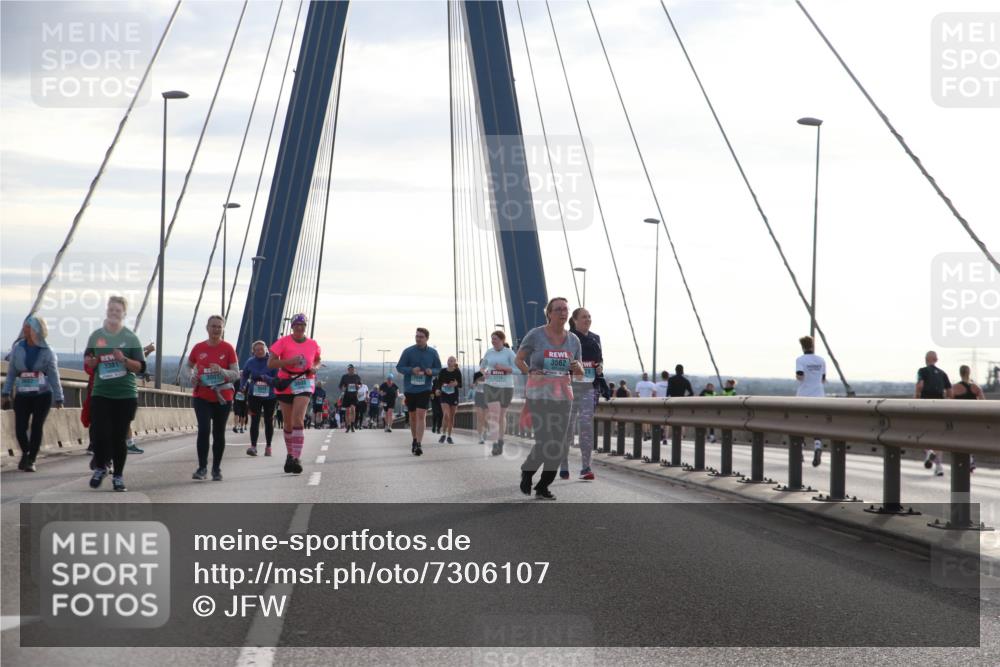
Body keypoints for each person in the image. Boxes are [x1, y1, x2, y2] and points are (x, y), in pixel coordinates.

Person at [516, 297, 584, 500]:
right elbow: (519, 359)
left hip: (563, 396)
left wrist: (577, 368)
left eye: (566, 309)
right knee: (545, 440)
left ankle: (544, 485)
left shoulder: (573, 340)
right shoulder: (536, 335)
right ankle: (527, 471)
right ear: (549, 313)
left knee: (560, 444)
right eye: (558, 309)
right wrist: (530, 372)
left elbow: (580, 372)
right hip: (539, 395)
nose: (563, 313)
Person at [84, 296, 146, 492]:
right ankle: (101, 467)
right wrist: (92, 362)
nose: (113, 313)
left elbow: (141, 368)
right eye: (111, 310)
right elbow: (88, 359)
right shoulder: (96, 336)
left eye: (117, 311)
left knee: (119, 437)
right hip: (101, 393)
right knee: (100, 433)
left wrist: (125, 360)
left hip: (125, 395)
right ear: (107, 312)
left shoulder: (131, 337)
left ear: (123, 314)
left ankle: (118, 476)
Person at [2, 316, 64, 471]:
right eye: (24, 326)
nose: (25, 328)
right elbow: (11, 373)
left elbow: (54, 376)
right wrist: (5, 392)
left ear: (37, 330)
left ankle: (31, 459)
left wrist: (59, 397)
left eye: (28, 326)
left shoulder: (47, 351)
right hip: (23, 394)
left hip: (42, 395)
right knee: (20, 427)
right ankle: (26, 451)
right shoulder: (18, 348)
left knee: (37, 426)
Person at [185, 314, 240, 482]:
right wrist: (191, 377)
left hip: (223, 397)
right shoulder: (198, 348)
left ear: (223, 329)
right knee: (203, 430)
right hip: (202, 395)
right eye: (213, 326)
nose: (216, 329)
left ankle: (216, 468)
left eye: (219, 326)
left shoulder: (228, 348)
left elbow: (236, 374)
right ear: (207, 328)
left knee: (218, 433)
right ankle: (202, 468)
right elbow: (188, 366)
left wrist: (221, 371)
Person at [269, 313, 322, 475]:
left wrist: (315, 367)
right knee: (288, 423)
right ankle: (290, 454)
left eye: (303, 325)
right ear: (292, 326)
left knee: (298, 418)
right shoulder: (283, 342)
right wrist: (289, 362)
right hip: (286, 382)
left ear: (306, 327)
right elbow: (271, 363)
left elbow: (318, 360)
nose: (300, 327)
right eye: (297, 325)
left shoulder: (313, 344)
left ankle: (297, 457)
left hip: (305, 381)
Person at [563, 307, 603, 481]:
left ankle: (586, 467)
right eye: (584, 317)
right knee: (568, 428)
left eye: (589, 316)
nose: (588, 319)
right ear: (575, 320)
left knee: (586, 425)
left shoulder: (596, 338)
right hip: (570, 388)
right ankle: (563, 464)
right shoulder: (567, 338)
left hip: (589, 387)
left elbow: (599, 360)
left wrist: (599, 367)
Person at [396, 327, 442, 456]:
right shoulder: (408, 351)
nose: (418, 338)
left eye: (421, 336)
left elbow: (438, 369)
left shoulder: (433, 353)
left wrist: (431, 372)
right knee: (413, 416)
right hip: (410, 389)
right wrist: (411, 370)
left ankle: (419, 443)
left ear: (427, 338)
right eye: (416, 336)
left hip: (425, 388)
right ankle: (414, 439)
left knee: (421, 415)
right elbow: (399, 367)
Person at [481, 331, 518, 455]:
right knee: (494, 415)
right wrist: (484, 372)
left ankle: (500, 440)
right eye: (492, 339)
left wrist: (504, 368)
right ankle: (495, 443)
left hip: (506, 387)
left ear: (502, 340)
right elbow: (482, 366)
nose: (493, 341)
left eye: (495, 339)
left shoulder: (509, 353)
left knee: (501, 416)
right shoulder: (489, 352)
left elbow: (518, 369)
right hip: (490, 386)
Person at [916, 351, 953, 476]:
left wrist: (916, 399)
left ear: (926, 359)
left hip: (926, 406)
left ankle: (929, 452)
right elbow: (950, 393)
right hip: (939, 407)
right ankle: (939, 467)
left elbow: (920, 385)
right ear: (936, 360)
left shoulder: (922, 371)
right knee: (938, 437)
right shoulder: (943, 373)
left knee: (922, 433)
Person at [795, 335, 827, 467]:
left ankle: (800, 451)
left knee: (800, 423)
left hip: (803, 395)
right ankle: (817, 445)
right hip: (819, 395)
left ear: (802, 347)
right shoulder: (821, 360)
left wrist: (800, 376)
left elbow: (800, 376)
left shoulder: (800, 360)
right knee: (816, 423)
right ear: (813, 345)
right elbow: (823, 379)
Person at [242, 340, 277, 456]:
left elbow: (277, 379)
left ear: (266, 349)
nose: (259, 351)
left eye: (261, 349)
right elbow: (245, 374)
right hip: (254, 395)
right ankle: (253, 447)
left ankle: (269, 446)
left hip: (270, 396)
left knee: (268, 421)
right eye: (256, 350)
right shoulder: (250, 362)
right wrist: (243, 385)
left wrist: (266, 378)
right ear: (253, 351)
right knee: (255, 421)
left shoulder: (272, 361)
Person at [125, 341, 157, 455]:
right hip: (119, 390)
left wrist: (147, 351)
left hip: (127, 390)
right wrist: (146, 349)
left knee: (125, 420)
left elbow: (137, 362)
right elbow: (129, 359)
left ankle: (129, 444)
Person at [952, 364, 983, 473]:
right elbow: (983, 402)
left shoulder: (955, 387)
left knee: (960, 439)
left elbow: (948, 403)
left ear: (960, 373)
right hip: (973, 417)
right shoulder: (976, 387)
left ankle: (966, 461)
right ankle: (971, 459)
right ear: (969, 373)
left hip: (960, 417)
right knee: (971, 439)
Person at [436, 356, 462, 444]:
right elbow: (438, 382)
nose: (449, 362)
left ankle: (449, 436)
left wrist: (456, 383)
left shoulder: (457, 371)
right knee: (446, 414)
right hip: (444, 395)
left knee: (451, 416)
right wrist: (437, 389)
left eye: (451, 361)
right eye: (448, 360)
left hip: (453, 395)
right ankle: (443, 434)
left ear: (455, 363)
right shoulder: (443, 371)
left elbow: (460, 384)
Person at [339, 364, 362, 433]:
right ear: (348, 370)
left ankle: (352, 425)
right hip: (347, 395)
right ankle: (348, 425)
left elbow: (360, 384)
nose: (351, 370)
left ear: (354, 370)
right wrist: (343, 388)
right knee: (347, 411)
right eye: (350, 369)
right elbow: (340, 386)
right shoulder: (344, 377)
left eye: (353, 369)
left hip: (354, 395)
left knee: (353, 409)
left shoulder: (357, 376)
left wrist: (358, 386)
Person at [634, 372, 657, 442]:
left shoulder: (639, 384)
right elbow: (654, 393)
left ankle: (645, 432)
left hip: (642, 402)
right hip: (650, 402)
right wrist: (653, 399)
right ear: (647, 377)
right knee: (648, 418)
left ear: (642, 377)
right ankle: (648, 431)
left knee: (644, 419)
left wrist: (638, 400)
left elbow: (637, 393)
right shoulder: (652, 384)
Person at [472, 371, 488, 444]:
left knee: (485, 418)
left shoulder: (491, 373)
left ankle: (485, 430)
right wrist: (477, 381)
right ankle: (480, 437)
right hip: (479, 396)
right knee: (480, 417)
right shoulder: (477, 374)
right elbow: (473, 385)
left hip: (488, 396)